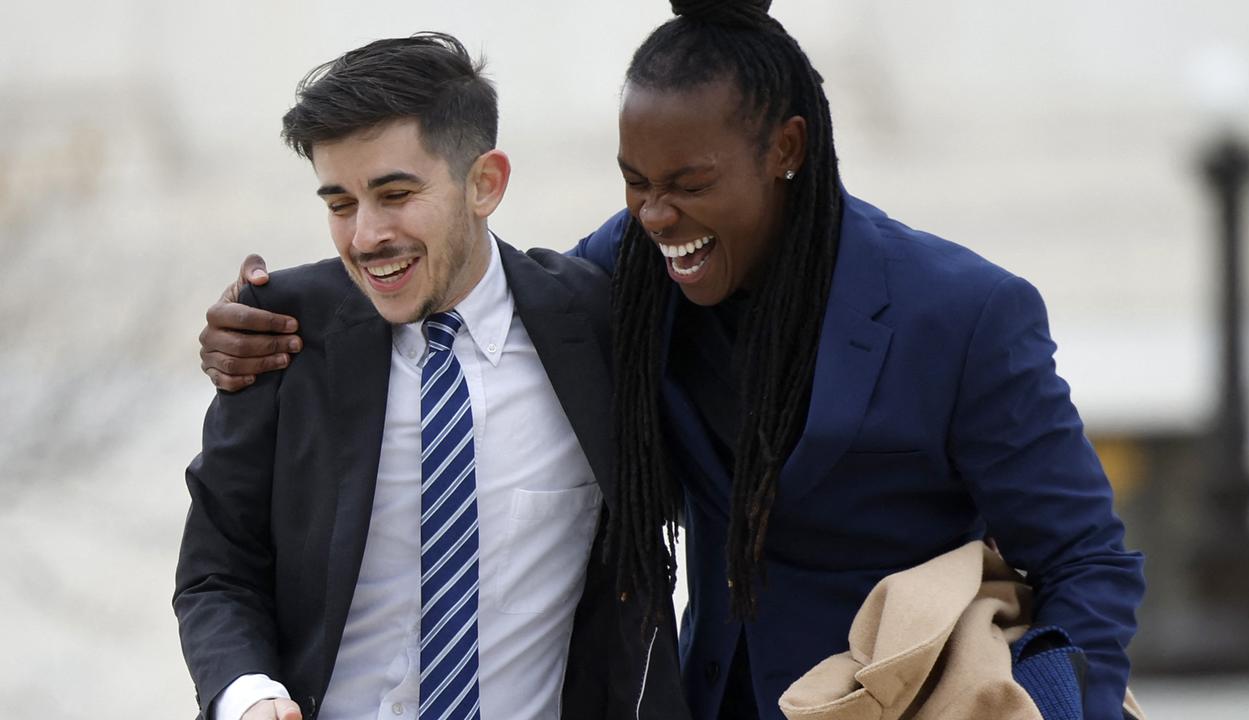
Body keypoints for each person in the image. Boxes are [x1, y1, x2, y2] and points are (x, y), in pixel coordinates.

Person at [199, 3, 1146, 719]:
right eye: (636, 185)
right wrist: (265, 322)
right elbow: (459, 271)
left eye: (689, 185)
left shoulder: (966, 311)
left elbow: (1086, 560)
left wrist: (1062, 710)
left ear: (786, 149)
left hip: (908, 699)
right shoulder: (623, 279)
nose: (657, 216)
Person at [174, 33, 689, 720]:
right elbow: (217, 571)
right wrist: (248, 696)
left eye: (395, 194)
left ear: (485, 183)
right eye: (339, 203)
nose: (365, 235)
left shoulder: (599, 326)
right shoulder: (279, 336)